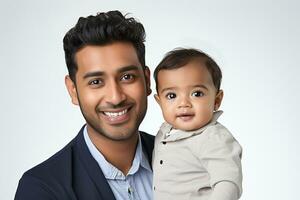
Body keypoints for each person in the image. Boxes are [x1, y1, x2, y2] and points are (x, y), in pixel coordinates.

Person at [15, 10, 154, 200]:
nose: (115, 97)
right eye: (96, 82)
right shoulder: (42, 189)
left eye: (127, 77)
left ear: (146, 81)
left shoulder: (188, 157)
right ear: (73, 90)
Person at [152, 48, 243, 200]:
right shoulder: (165, 132)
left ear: (216, 100)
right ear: (159, 102)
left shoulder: (212, 137)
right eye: (171, 95)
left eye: (197, 93)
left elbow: (228, 182)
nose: (183, 103)